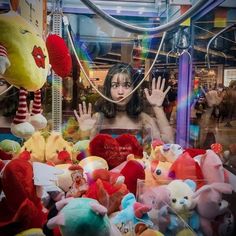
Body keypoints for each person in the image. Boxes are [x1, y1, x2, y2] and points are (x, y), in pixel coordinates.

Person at [74, 63, 174, 145]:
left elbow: (168, 144)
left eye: (127, 85)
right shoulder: (98, 119)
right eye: (115, 86)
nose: (121, 91)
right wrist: (84, 132)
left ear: (134, 88)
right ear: (108, 89)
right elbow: (86, 154)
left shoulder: (143, 119)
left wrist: (158, 108)